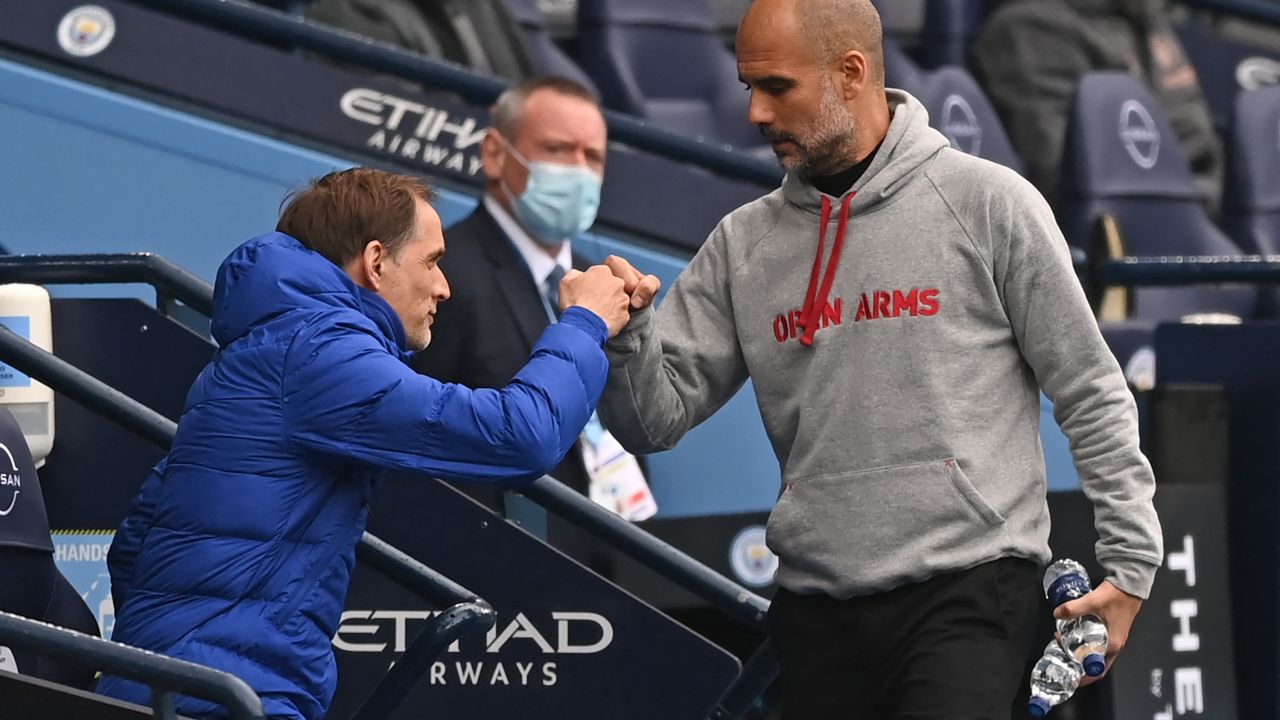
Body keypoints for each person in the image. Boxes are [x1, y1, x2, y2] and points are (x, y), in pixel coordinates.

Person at [597, 0, 1163, 717]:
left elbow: (1091, 389)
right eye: (748, 88)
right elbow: (653, 422)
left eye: (777, 87)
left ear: (851, 73)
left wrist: (1132, 565)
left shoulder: (989, 203)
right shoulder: (744, 243)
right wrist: (623, 335)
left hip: (970, 598)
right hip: (815, 611)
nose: (756, 115)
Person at [95, 168, 630, 720]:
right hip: (218, 699)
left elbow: (138, 537)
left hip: (187, 687)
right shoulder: (319, 353)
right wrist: (584, 323)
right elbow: (520, 436)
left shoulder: (278, 345)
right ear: (376, 263)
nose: (444, 286)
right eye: (432, 261)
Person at [412, 76, 654, 530]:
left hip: (610, 555)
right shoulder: (445, 275)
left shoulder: (601, 279)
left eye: (593, 157)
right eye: (559, 150)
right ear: (495, 154)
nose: (579, 170)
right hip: (499, 560)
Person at [971, 0, 1223, 211]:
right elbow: (1067, 182)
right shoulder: (1027, 29)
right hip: (1110, 242)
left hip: (1189, 211)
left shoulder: (1144, 16)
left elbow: (1199, 139)